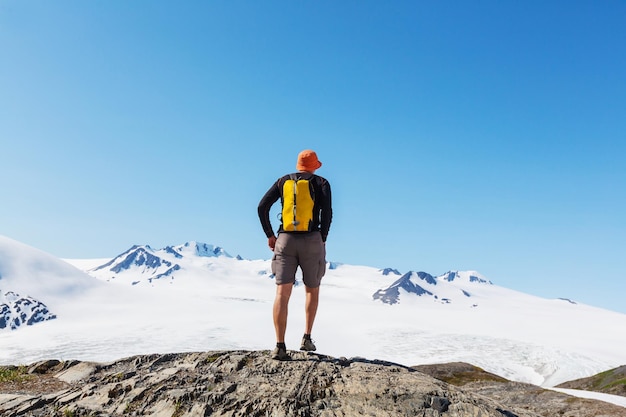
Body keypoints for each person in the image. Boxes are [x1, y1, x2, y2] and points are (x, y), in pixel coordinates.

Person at [257, 149, 333, 360]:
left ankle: (279, 346)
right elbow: (327, 213)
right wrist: (322, 238)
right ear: (315, 165)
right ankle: (307, 338)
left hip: (285, 240)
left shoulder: (283, 181)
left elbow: (262, 206)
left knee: (282, 294)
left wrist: (271, 235)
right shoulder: (322, 183)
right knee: (312, 289)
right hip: (312, 240)